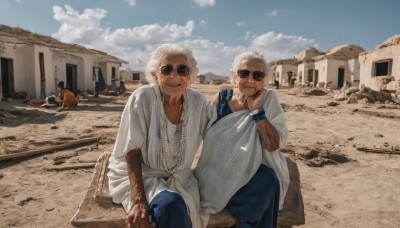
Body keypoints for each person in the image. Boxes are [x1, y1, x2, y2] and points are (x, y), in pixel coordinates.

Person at [107, 43, 212, 228]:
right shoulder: (143, 99)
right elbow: (132, 152)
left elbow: (216, 136)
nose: (174, 75)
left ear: (190, 76)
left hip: (182, 179)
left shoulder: (198, 103)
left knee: (178, 207)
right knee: (170, 205)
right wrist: (139, 201)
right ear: (155, 75)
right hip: (143, 175)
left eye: (182, 69)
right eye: (167, 69)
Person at [195, 51, 290, 228]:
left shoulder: (269, 99)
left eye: (257, 75)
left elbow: (273, 145)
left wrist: (257, 112)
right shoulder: (221, 99)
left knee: (268, 180)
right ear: (234, 76)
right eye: (244, 73)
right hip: (217, 171)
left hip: (250, 170)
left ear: (264, 79)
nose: (250, 80)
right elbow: (203, 133)